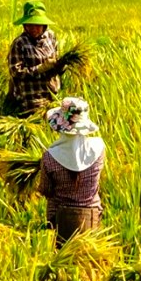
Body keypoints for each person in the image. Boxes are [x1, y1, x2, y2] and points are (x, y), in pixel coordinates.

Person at [35, 97, 104, 244]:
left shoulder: (50, 157)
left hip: (59, 218)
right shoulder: (99, 149)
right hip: (92, 216)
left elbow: (46, 190)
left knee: (61, 260)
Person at [6, 1, 76, 115]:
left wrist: (61, 65)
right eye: (30, 25)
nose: (34, 28)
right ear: (24, 25)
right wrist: (39, 69)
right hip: (32, 99)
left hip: (53, 95)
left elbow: (56, 64)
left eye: (38, 25)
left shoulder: (50, 36)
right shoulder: (19, 43)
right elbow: (15, 72)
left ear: (44, 25)